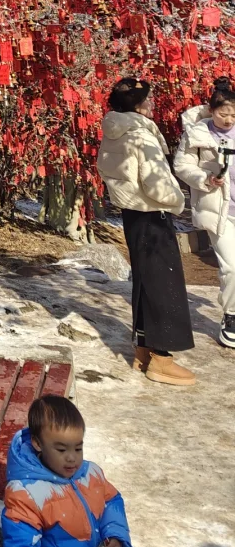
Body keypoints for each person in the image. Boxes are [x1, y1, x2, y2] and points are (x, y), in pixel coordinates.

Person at [96, 75, 196, 384]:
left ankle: (142, 349)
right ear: (138, 106)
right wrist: (177, 200)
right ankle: (162, 357)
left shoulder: (114, 131)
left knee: (144, 280)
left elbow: (105, 168)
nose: (152, 105)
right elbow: (157, 182)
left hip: (131, 214)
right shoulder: (141, 135)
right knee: (164, 284)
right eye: (148, 100)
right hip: (152, 214)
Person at [3, 393, 133, 547]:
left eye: (78, 448)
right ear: (38, 443)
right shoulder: (26, 494)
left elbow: (111, 501)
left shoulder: (91, 475)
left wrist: (114, 533)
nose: (72, 458)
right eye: (62, 450)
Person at [174, 75, 235, 349]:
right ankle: (231, 316)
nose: (229, 119)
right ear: (212, 110)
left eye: (234, 114)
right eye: (224, 113)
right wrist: (205, 179)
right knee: (232, 266)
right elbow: (182, 166)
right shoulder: (197, 134)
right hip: (219, 211)